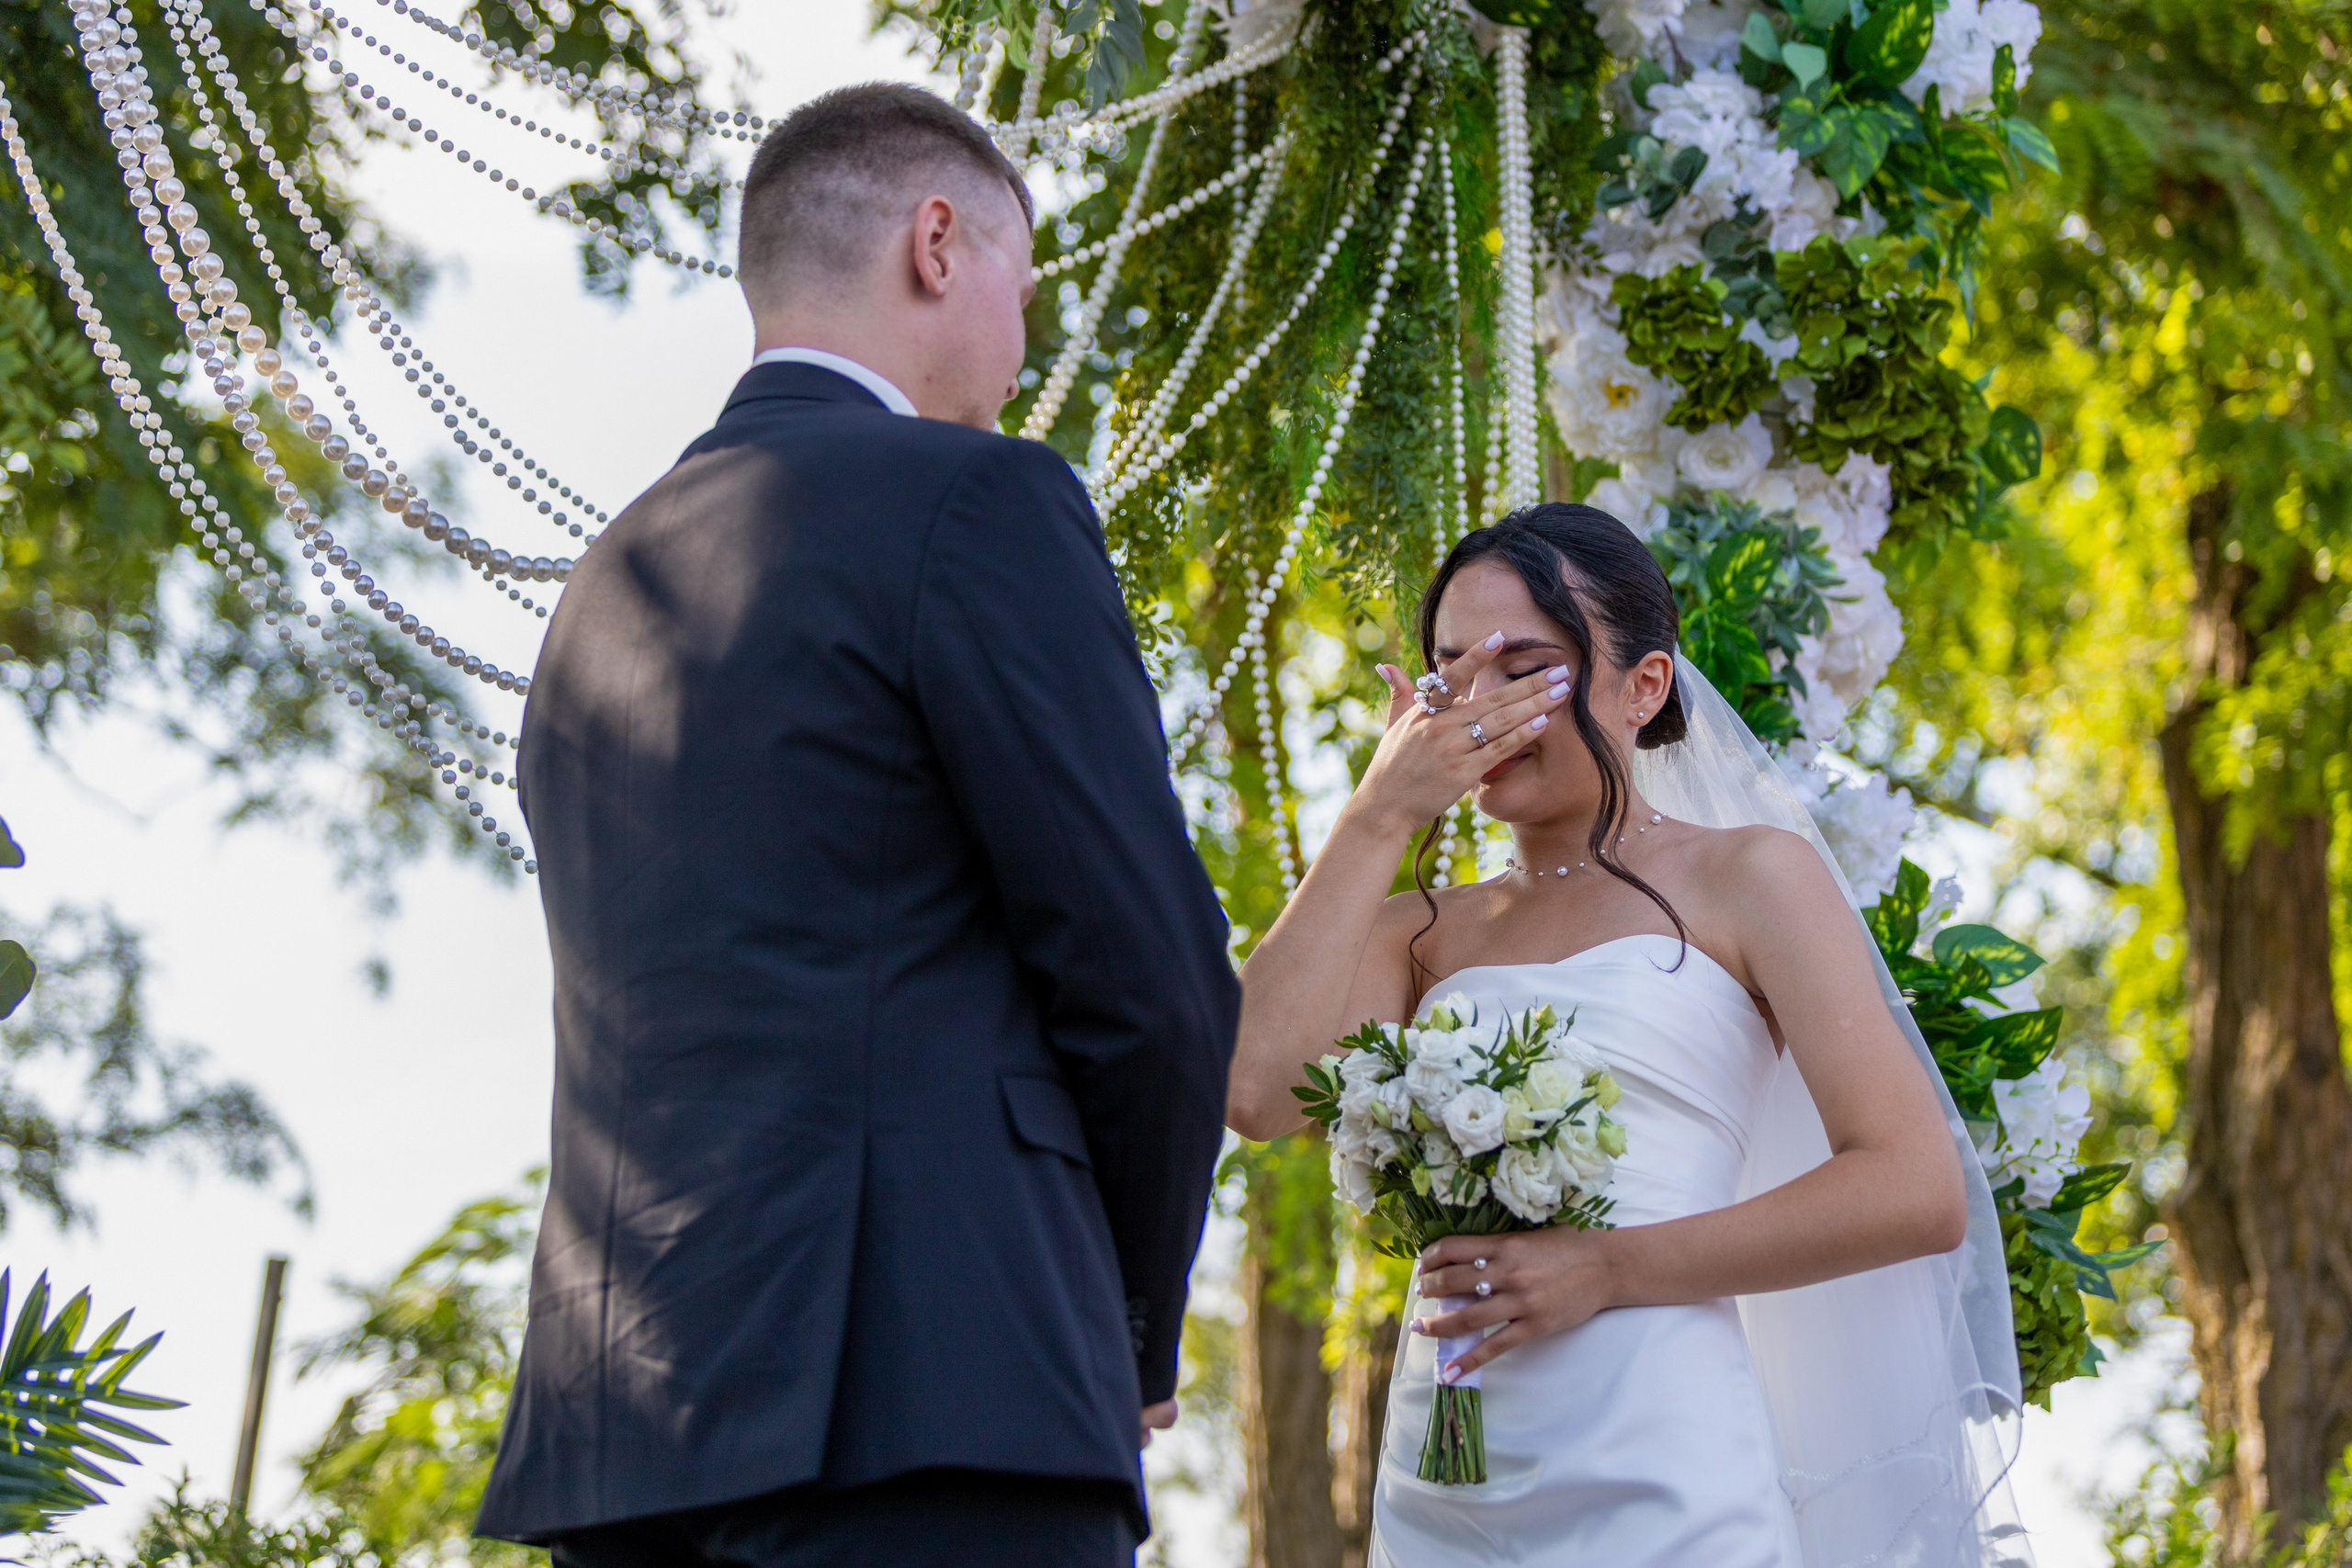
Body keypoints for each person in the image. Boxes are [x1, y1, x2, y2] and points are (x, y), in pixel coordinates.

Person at [475, 82, 1238, 1568]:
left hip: (623, 1431)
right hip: (931, 1397)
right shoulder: (976, 501)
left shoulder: (598, 590)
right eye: (1028, 277)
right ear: (937, 243)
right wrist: (1124, 1323)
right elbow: (1149, 978)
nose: (1027, 335)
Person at [1224, 504, 2029, 1567]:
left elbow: (1914, 1188)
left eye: (1525, 665)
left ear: (1643, 686)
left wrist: (1607, 1270)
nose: (1480, 702)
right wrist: (1374, 820)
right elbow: (1253, 1090)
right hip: (1448, 1474)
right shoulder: (1422, 930)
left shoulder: (1750, 878)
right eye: (1450, 671)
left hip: (1662, 1456)